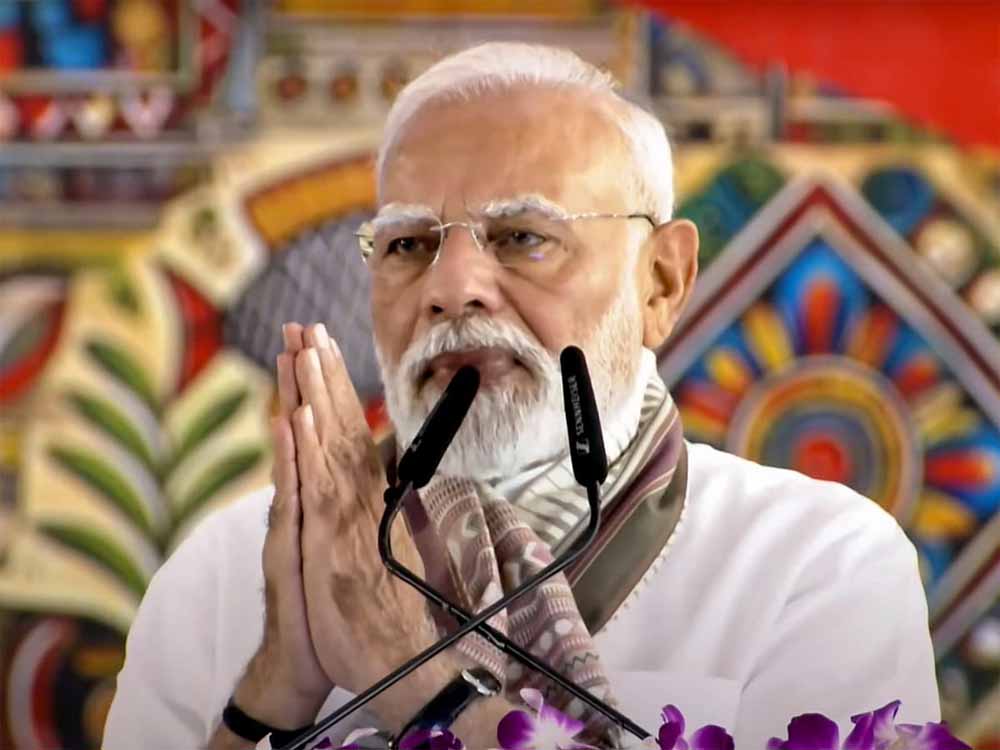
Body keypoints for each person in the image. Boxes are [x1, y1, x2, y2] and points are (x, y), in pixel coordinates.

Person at [103, 42, 939, 750]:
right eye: (408, 244)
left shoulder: (816, 563)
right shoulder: (226, 573)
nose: (451, 288)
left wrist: (407, 671)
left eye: (523, 237)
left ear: (661, 281)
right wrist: (270, 698)